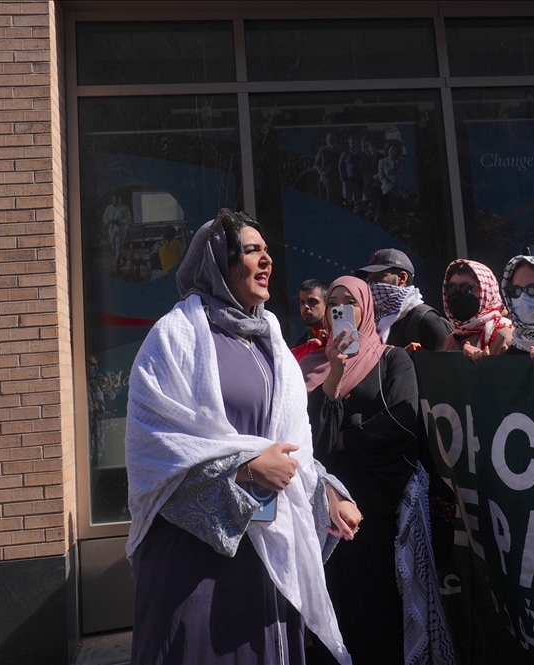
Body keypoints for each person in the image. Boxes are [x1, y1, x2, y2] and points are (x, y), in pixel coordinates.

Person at [125, 208, 360, 665]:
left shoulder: (269, 335)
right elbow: (153, 447)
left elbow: (291, 438)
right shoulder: (175, 336)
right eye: (253, 251)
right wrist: (246, 467)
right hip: (197, 557)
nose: (267, 260)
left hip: (266, 545)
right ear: (219, 262)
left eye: (267, 251)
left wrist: (322, 490)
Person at [305, 276, 450, 665]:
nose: (340, 310)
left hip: (376, 503)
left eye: (349, 301)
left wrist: (345, 440)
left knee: (377, 604)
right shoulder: (314, 366)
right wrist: (333, 376)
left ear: (366, 309)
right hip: (326, 506)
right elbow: (311, 440)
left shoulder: (391, 359)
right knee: (335, 604)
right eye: (333, 302)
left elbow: (402, 424)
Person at [355, 248, 452, 353]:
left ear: (402, 277)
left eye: (379, 276)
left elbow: (447, 364)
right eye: (370, 280)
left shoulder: (425, 319)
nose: (372, 285)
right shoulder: (374, 322)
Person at [441, 259, 513, 362]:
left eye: (466, 288)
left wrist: (484, 363)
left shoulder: (503, 337)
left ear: (486, 291)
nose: (457, 294)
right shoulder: (452, 339)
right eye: (451, 288)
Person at [291, 278, 328, 361]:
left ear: (327, 303)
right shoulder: (298, 348)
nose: (306, 306)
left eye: (312, 301)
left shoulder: (341, 338)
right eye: (302, 302)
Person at [103, 194, 132, 270]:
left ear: (120, 199)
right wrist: (109, 221)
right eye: (114, 199)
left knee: (118, 249)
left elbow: (128, 219)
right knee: (114, 246)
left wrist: (119, 221)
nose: (116, 201)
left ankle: (118, 266)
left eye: (117, 199)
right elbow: (105, 218)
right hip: (112, 231)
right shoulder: (109, 208)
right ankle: (124, 257)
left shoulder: (125, 208)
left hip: (120, 231)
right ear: (112, 199)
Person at [314, 133, 341, 203]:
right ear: (326, 141)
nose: (332, 141)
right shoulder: (322, 150)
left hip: (339, 179)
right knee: (328, 200)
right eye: (330, 140)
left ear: (336, 140)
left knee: (339, 200)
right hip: (327, 179)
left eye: (333, 139)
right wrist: (321, 172)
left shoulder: (341, 150)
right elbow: (317, 164)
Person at [338, 137, 365, 204]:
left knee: (358, 201)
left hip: (359, 181)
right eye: (352, 143)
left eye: (355, 143)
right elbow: (341, 167)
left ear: (358, 144)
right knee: (348, 200)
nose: (353, 144)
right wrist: (343, 180)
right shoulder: (344, 154)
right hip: (348, 181)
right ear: (349, 144)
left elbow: (365, 167)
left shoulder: (362, 154)